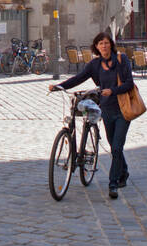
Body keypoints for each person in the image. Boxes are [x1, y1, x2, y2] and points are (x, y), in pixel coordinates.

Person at [50, 31, 136, 199]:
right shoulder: (95, 64)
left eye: (106, 43)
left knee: (117, 147)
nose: (104, 46)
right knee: (114, 146)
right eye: (100, 43)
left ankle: (113, 184)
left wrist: (113, 90)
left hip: (123, 109)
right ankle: (123, 173)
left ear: (110, 44)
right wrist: (59, 86)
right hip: (107, 110)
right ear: (96, 47)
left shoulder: (121, 60)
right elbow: (79, 78)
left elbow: (129, 83)